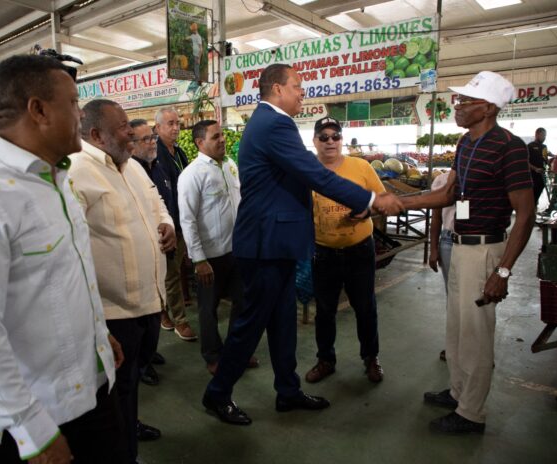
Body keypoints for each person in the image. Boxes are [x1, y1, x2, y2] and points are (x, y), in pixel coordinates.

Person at [0, 55, 126, 463]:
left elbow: (63, 278)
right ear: (38, 110)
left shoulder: (56, 179)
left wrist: (98, 332)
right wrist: (32, 432)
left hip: (93, 385)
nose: (78, 113)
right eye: (72, 102)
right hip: (42, 414)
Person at [201, 63, 404, 426]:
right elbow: (313, 174)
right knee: (250, 325)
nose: (302, 92)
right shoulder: (273, 123)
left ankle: (288, 391)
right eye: (297, 86)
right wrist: (371, 201)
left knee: (282, 323)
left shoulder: (269, 123)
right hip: (265, 245)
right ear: (277, 90)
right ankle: (217, 394)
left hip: (276, 244)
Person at [400, 71, 534, 434]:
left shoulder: (509, 147)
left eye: (466, 101)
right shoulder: (466, 144)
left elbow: (526, 213)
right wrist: (398, 202)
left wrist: (502, 272)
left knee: (475, 334)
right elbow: (449, 197)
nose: (457, 106)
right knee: (457, 329)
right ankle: (459, 392)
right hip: (459, 246)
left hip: (485, 251)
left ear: (489, 108)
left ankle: (471, 414)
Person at [70, 100, 174, 464]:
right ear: (96, 134)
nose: (131, 132)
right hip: (114, 311)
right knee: (113, 392)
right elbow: (72, 250)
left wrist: (168, 225)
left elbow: (156, 201)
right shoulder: (76, 172)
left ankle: (129, 429)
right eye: (123, 127)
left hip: (149, 301)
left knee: (129, 386)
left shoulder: (132, 167)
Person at [303, 117, 386, 385]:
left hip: (359, 250)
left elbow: (381, 201)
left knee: (365, 307)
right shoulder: (307, 171)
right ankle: (325, 360)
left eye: (335, 136)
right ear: (314, 141)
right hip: (323, 252)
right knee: (325, 311)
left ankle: (371, 358)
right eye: (324, 137)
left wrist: (366, 212)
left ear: (342, 139)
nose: (330, 141)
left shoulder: (360, 167)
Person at [178, 120, 259, 375]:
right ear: (200, 143)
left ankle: (237, 351)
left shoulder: (230, 166)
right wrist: (199, 259)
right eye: (215, 137)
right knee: (208, 309)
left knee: (242, 302)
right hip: (210, 257)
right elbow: (188, 220)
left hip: (237, 250)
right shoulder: (192, 175)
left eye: (222, 135)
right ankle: (213, 355)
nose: (222, 140)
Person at [130, 118, 170, 386]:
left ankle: (150, 352)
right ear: (130, 145)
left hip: (161, 248)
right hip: (140, 258)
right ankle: (142, 364)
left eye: (152, 137)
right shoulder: (131, 170)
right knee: (144, 317)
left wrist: (169, 224)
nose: (152, 142)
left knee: (157, 309)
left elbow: (161, 203)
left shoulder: (156, 166)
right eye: (145, 139)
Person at [155, 107, 197, 341]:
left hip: (183, 221)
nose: (175, 128)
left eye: (177, 123)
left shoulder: (179, 152)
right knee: (170, 274)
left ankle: (163, 310)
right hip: (170, 224)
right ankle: (179, 320)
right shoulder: (157, 155)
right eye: (170, 123)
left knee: (171, 272)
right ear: (158, 127)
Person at [428, 171, 456, 362]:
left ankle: (478, 349)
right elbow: (436, 217)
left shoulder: (485, 176)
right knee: (453, 298)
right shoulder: (442, 180)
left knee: (478, 299)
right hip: (449, 240)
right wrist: (433, 248)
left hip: (479, 243)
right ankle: (453, 345)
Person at [526, 128, 547, 209]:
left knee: (538, 192)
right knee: (531, 195)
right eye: (543, 135)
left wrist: (551, 162)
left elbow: (545, 160)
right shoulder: (530, 146)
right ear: (537, 135)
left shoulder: (544, 147)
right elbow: (525, 161)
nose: (544, 137)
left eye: (545, 136)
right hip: (532, 175)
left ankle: (533, 209)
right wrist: (535, 168)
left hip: (542, 175)